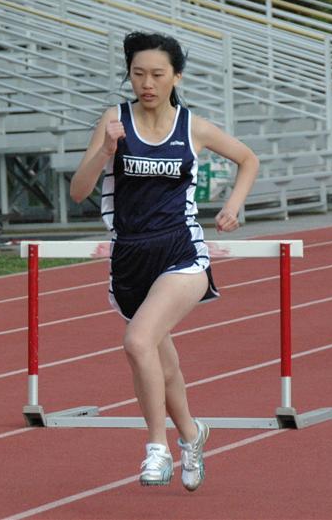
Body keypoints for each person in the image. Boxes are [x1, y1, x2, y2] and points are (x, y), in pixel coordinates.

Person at [69, 31, 260, 491]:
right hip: (130, 257)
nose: (147, 83)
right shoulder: (114, 121)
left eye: (157, 74)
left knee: (137, 342)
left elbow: (247, 159)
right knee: (160, 362)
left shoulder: (193, 127)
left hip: (181, 251)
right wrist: (105, 151)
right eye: (138, 74)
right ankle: (192, 434)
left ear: (177, 77)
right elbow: (78, 192)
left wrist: (233, 205)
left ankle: (157, 447)